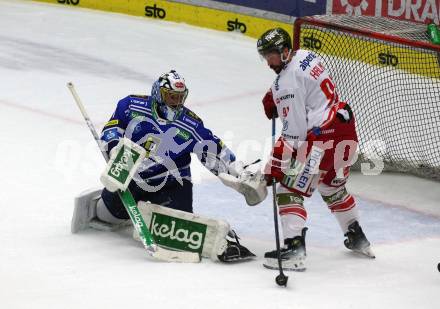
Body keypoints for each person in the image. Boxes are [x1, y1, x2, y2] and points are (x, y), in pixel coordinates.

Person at [72, 70, 262, 262]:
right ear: (158, 94)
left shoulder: (191, 124)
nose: (176, 102)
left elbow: (214, 152)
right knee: (107, 216)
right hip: (133, 175)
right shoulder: (131, 105)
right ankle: (119, 203)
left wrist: (239, 172)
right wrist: (114, 149)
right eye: (171, 97)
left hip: (173, 182)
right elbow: (112, 128)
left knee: (177, 227)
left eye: (180, 97)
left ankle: (223, 240)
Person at [256, 28, 374, 271]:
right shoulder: (306, 55)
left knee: (287, 187)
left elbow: (294, 136)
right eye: (265, 56)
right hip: (345, 130)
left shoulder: (285, 85)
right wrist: (274, 95)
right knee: (332, 186)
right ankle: (357, 235)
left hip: (321, 141)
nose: (269, 62)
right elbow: (301, 83)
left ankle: (294, 247)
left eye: (272, 56)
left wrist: (274, 167)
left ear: (285, 51)